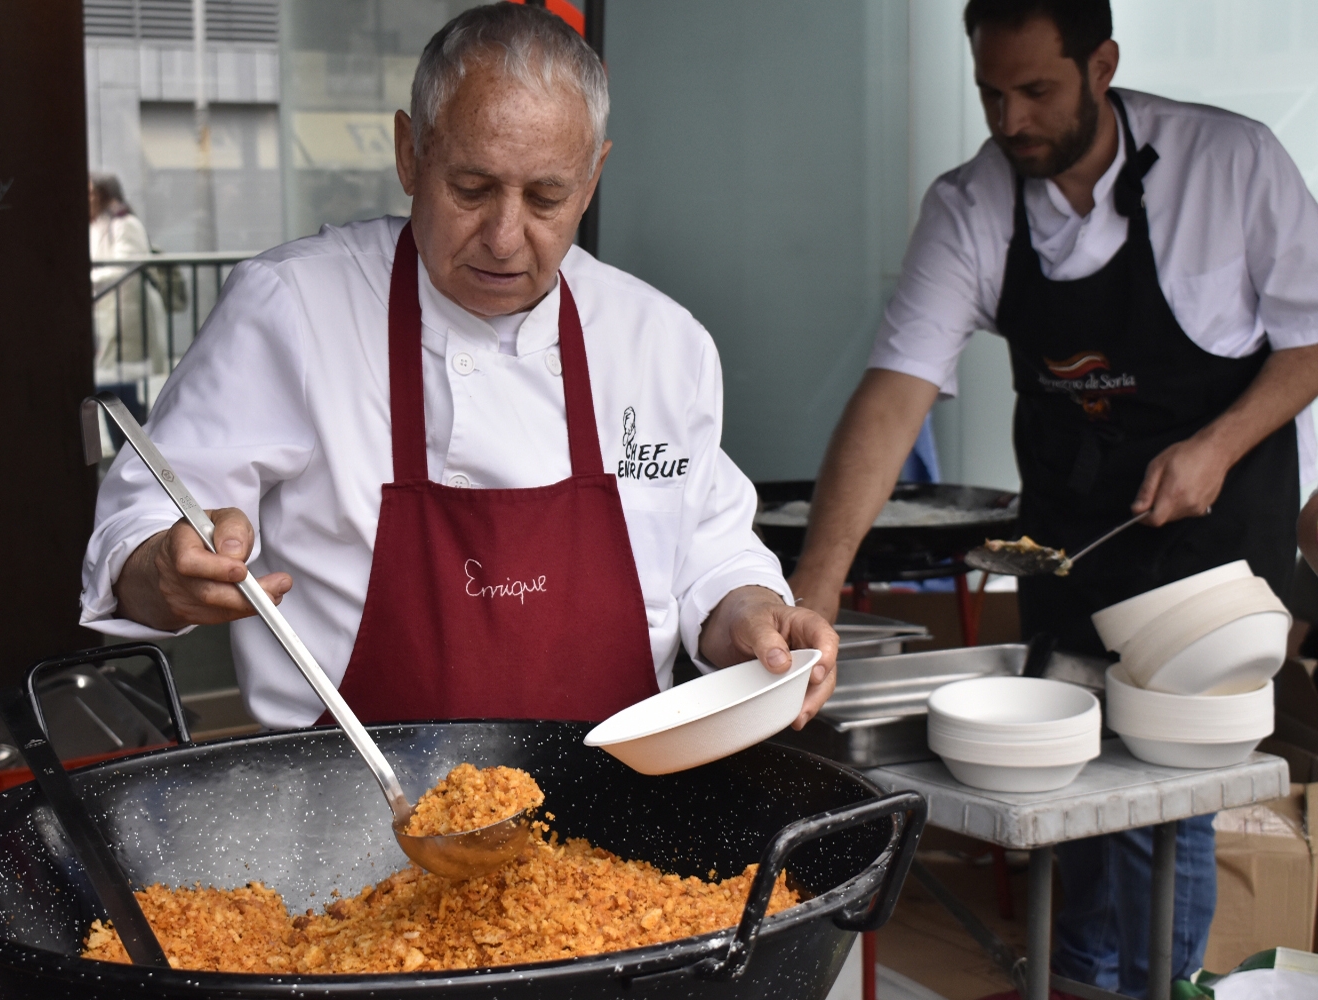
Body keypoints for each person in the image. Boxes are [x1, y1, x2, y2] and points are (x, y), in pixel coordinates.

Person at [80, 5, 837, 735]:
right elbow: (142, 527)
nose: (504, 237)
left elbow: (709, 555)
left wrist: (754, 620)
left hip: (616, 809)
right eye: (472, 189)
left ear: (593, 178)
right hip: (356, 801)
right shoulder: (293, 309)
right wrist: (166, 570)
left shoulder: (663, 343)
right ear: (411, 153)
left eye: (546, 197)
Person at [789, 0, 1318, 995]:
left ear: (1101, 65)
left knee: (1169, 792)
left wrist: (1214, 446)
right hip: (1077, 537)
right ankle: (1082, 976)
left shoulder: (1231, 162)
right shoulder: (971, 206)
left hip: (1213, 546)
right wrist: (812, 597)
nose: (1011, 120)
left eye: (1036, 90)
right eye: (991, 94)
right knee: (1072, 770)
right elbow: (894, 395)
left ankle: (1147, 984)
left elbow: (1312, 339)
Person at [89, 172, 167, 409]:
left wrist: (88, 279)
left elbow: (126, 266)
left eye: (92, 193)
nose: (88, 199)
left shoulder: (124, 223)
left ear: (105, 194)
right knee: (113, 386)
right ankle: (134, 431)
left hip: (126, 315)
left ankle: (134, 432)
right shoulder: (99, 224)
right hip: (109, 314)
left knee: (116, 386)